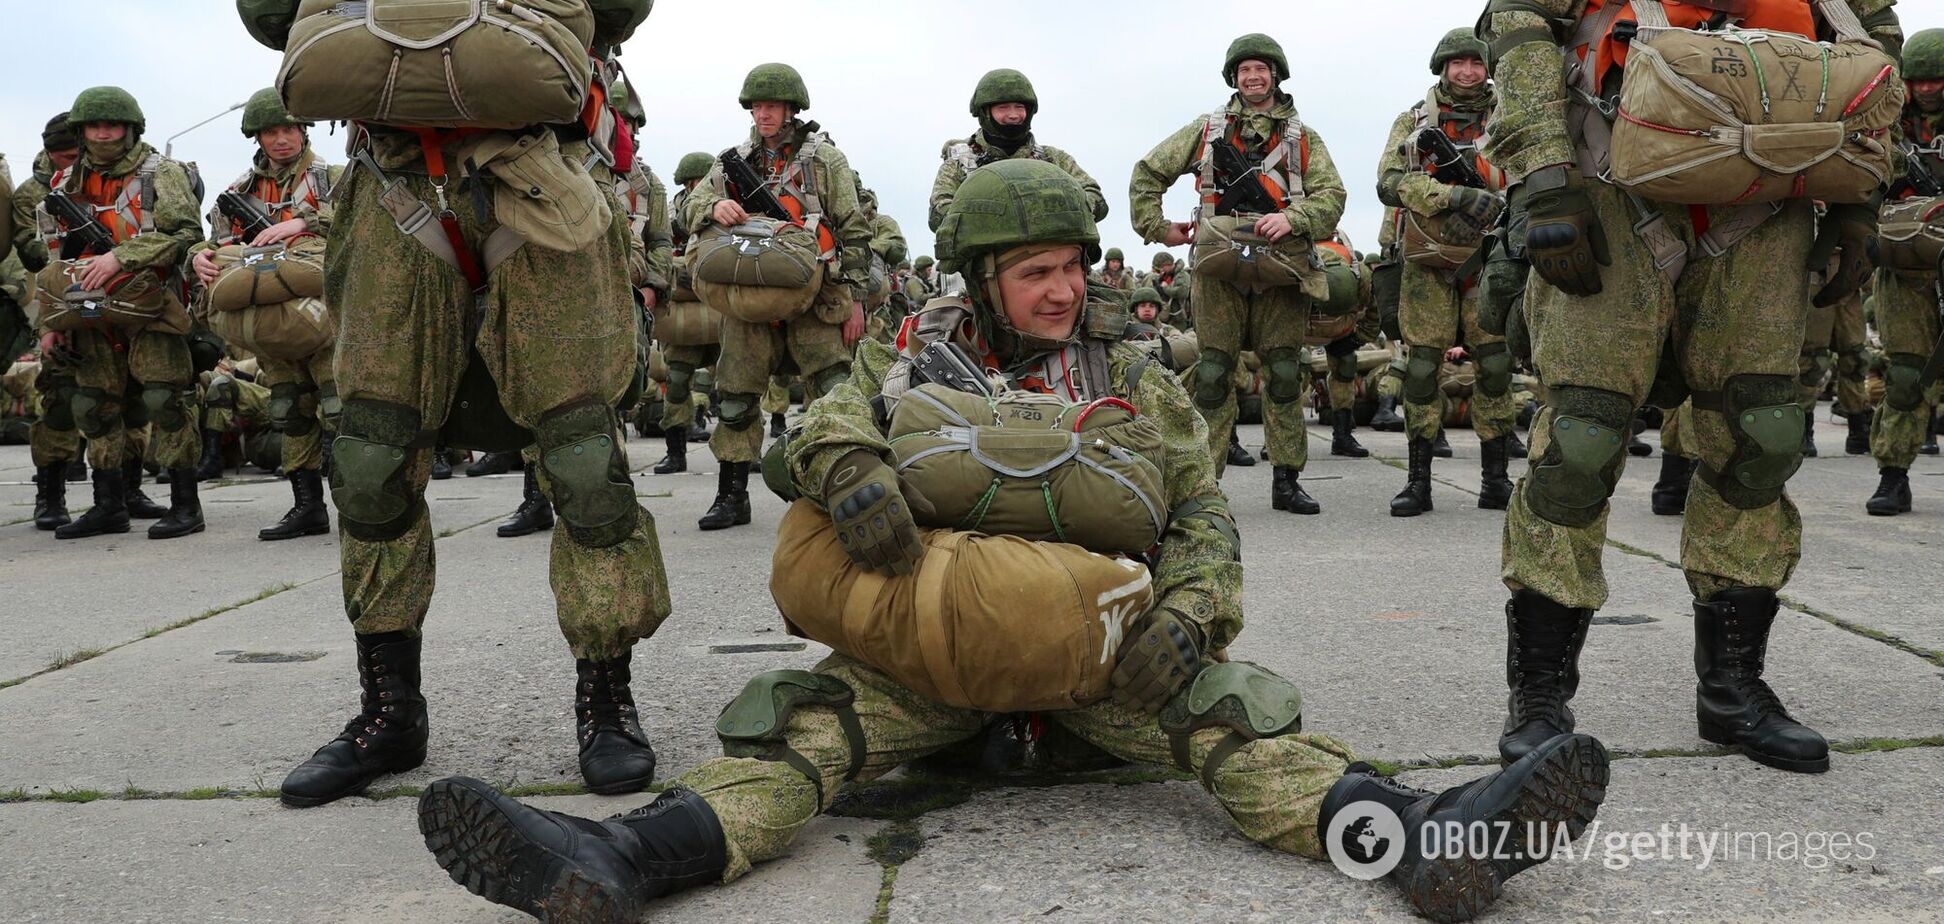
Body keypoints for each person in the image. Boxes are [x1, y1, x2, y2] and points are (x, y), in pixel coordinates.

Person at [416, 159, 1610, 924]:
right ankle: (620, 863)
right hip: (927, 653)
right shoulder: (908, 349)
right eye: (1035, 272)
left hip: (1094, 657)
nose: (1058, 290)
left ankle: (1425, 840)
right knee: (804, 731)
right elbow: (820, 421)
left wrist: (1190, 617)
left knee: (1234, 721)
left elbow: (1198, 510)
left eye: (1072, 268)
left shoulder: (1131, 367)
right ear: (984, 279)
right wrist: (849, 467)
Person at [241, 0, 672, 805]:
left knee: (583, 460)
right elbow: (271, 21)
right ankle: (389, 710)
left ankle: (607, 700)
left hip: (542, 180)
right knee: (370, 459)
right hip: (392, 190)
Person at [1476, 0, 1903, 772]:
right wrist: (1542, 175)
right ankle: (1540, 694)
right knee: (1583, 438)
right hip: (1607, 189)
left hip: (1769, 208)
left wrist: (1860, 195)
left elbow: (1870, 46)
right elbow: (1518, 25)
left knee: (1761, 436)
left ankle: (1733, 690)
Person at [1130, 33, 1348, 514]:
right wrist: (1158, 229)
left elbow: (1332, 195)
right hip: (1218, 268)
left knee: (1286, 372)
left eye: (1262, 69)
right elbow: (1148, 172)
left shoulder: (1302, 138)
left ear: (1275, 76)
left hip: (1281, 265)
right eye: (1245, 70)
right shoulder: (1207, 130)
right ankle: (1202, 488)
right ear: (1235, 78)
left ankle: (1287, 480)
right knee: (1211, 374)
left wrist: (1293, 219)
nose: (1253, 77)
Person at [681, 63, 871, 531]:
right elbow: (689, 207)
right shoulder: (731, 163)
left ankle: (843, 487)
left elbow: (854, 232)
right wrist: (713, 206)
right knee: (735, 395)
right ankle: (731, 495)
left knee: (833, 390)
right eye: (757, 106)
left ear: (791, 109)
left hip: (815, 294)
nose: (763, 114)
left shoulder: (825, 159)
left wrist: (858, 301)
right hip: (750, 298)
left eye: (772, 106)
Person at [35, 88, 206, 541]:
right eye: (94, 126)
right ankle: (108, 505)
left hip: (150, 303)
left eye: (112, 125)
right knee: (93, 405)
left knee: (163, 400)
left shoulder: (161, 173)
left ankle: (185, 505)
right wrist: (49, 324)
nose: (104, 133)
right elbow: (52, 259)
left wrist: (121, 257)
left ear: (131, 129)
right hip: (87, 310)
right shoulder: (64, 184)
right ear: (82, 132)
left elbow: (187, 233)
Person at [189, 88, 343, 541]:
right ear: (256, 137)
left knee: (339, 409)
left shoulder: (332, 178)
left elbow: (366, 222)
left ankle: (360, 503)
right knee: (288, 409)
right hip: (270, 318)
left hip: (327, 317)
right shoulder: (237, 193)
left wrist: (305, 222)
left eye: (289, 129)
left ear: (303, 131)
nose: (281, 139)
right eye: (271, 132)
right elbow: (214, 240)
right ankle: (307, 507)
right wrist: (199, 256)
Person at [1376, 28, 1515, 516]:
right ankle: (1419, 481)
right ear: (1441, 68)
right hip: (1429, 257)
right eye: (1456, 63)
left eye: (1475, 63)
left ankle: (1495, 480)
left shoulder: (1510, 114)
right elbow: (1389, 182)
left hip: (1492, 255)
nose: (1467, 72)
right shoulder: (1414, 121)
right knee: (1420, 370)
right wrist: (1453, 196)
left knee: (1495, 366)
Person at [1865, 27, 1944, 516]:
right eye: (1918, 81)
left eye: (1937, 80)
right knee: (1905, 376)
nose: (1927, 89)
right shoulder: (1885, 119)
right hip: (1904, 269)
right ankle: (1893, 476)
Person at [928, 68, 1108, 232]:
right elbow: (939, 212)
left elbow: (1095, 197)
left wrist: (1059, 210)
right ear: (985, 113)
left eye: (1019, 107)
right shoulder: (960, 163)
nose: (1013, 115)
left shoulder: (1053, 159)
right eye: (1003, 107)